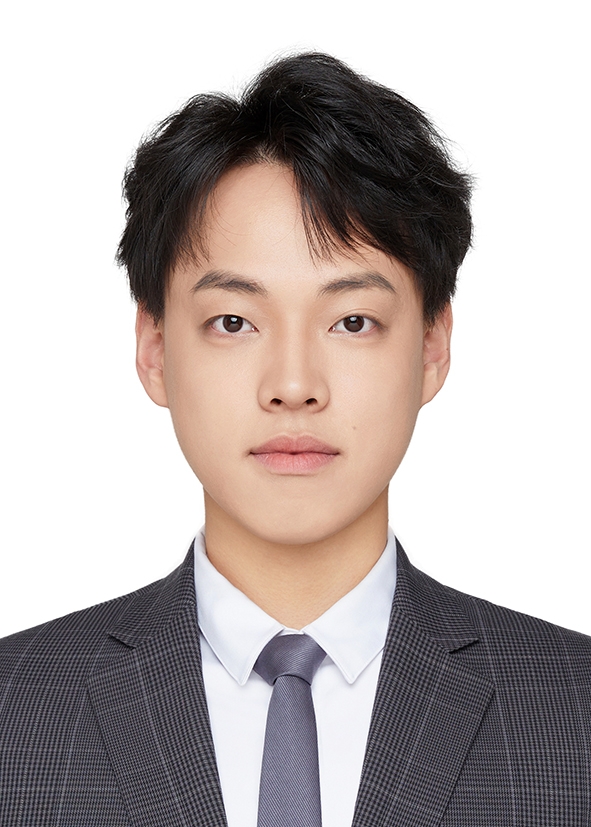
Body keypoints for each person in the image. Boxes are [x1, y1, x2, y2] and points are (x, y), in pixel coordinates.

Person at [0, 52, 589, 827]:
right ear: (154, 348)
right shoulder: (16, 710)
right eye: (233, 321)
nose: (292, 383)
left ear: (431, 346)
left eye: (352, 320)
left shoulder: (572, 709)